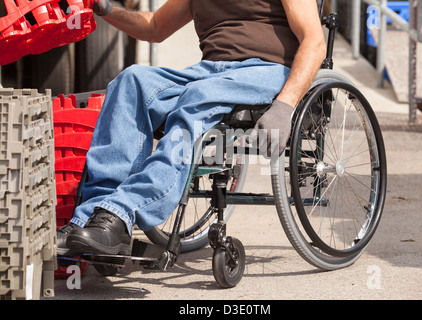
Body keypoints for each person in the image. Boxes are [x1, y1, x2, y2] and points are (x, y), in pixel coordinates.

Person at [57, 0, 326, 256]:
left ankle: (122, 210)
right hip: (210, 71)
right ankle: (92, 218)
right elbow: (154, 26)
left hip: (266, 70)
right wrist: (106, 9)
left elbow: (314, 41)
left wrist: (285, 106)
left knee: (198, 95)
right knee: (131, 81)